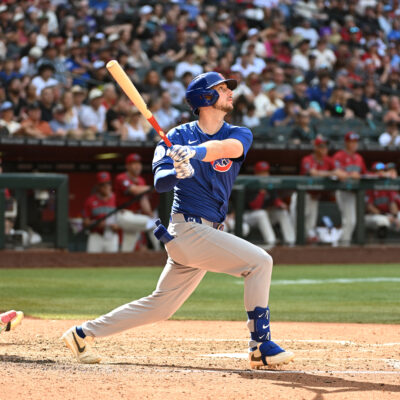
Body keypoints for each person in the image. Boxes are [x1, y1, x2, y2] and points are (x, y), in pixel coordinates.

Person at [62, 72, 294, 369]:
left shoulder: (238, 133)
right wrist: (176, 171)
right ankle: (260, 345)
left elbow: (226, 150)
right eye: (222, 89)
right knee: (260, 262)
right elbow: (159, 182)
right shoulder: (175, 137)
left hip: (206, 233)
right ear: (205, 98)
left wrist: (194, 153)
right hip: (187, 230)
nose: (230, 93)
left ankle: (82, 334)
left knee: (161, 306)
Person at [290, 136, 345, 242]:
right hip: (302, 196)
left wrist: (332, 173)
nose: (324, 149)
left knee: (310, 229)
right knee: (297, 226)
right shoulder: (307, 159)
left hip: (314, 197)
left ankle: (306, 254)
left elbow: (340, 174)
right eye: (321, 147)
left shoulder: (328, 160)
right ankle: (293, 252)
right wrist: (330, 173)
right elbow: (313, 173)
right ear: (315, 147)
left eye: (325, 147)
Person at [114, 153, 159, 252]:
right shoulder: (121, 178)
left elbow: (143, 199)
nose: (137, 166)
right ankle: (159, 252)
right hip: (124, 215)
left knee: (127, 248)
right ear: (127, 166)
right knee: (154, 224)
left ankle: (123, 263)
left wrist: (149, 213)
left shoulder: (141, 180)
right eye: (133, 163)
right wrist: (153, 188)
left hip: (136, 216)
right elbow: (134, 190)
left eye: (139, 163)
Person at [245, 161, 295, 247]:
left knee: (282, 213)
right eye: (262, 173)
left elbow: (275, 200)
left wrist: (281, 205)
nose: (265, 175)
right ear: (256, 173)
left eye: (266, 172)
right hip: (247, 216)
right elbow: (255, 206)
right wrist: (261, 193)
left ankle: (290, 241)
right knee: (261, 213)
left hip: (264, 216)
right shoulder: (250, 184)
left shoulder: (268, 184)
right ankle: (271, 242)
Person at [332, 131, 367, 245]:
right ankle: (343, 246)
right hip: (343, 191)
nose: (354, 144)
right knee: (350, 221)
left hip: (355, 193)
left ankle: (341, 243)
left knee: (352, 221)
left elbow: (364, 174)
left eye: (355, 141)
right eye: (351, 141)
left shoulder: (359, 158)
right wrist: (350, 175)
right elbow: (337, 173)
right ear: (346, 142)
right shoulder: (339, 156)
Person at [83, 171, 119, 253]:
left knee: (112, 263)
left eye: (108, 183)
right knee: (92, 262)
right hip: (96, 235)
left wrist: (118, 226)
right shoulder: (90, 201)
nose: (106, 186)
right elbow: (85, 222)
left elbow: (124, 218)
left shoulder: (117, 199)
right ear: (97, 186)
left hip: (112, 234)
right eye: (102, 184)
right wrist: (95, 223)